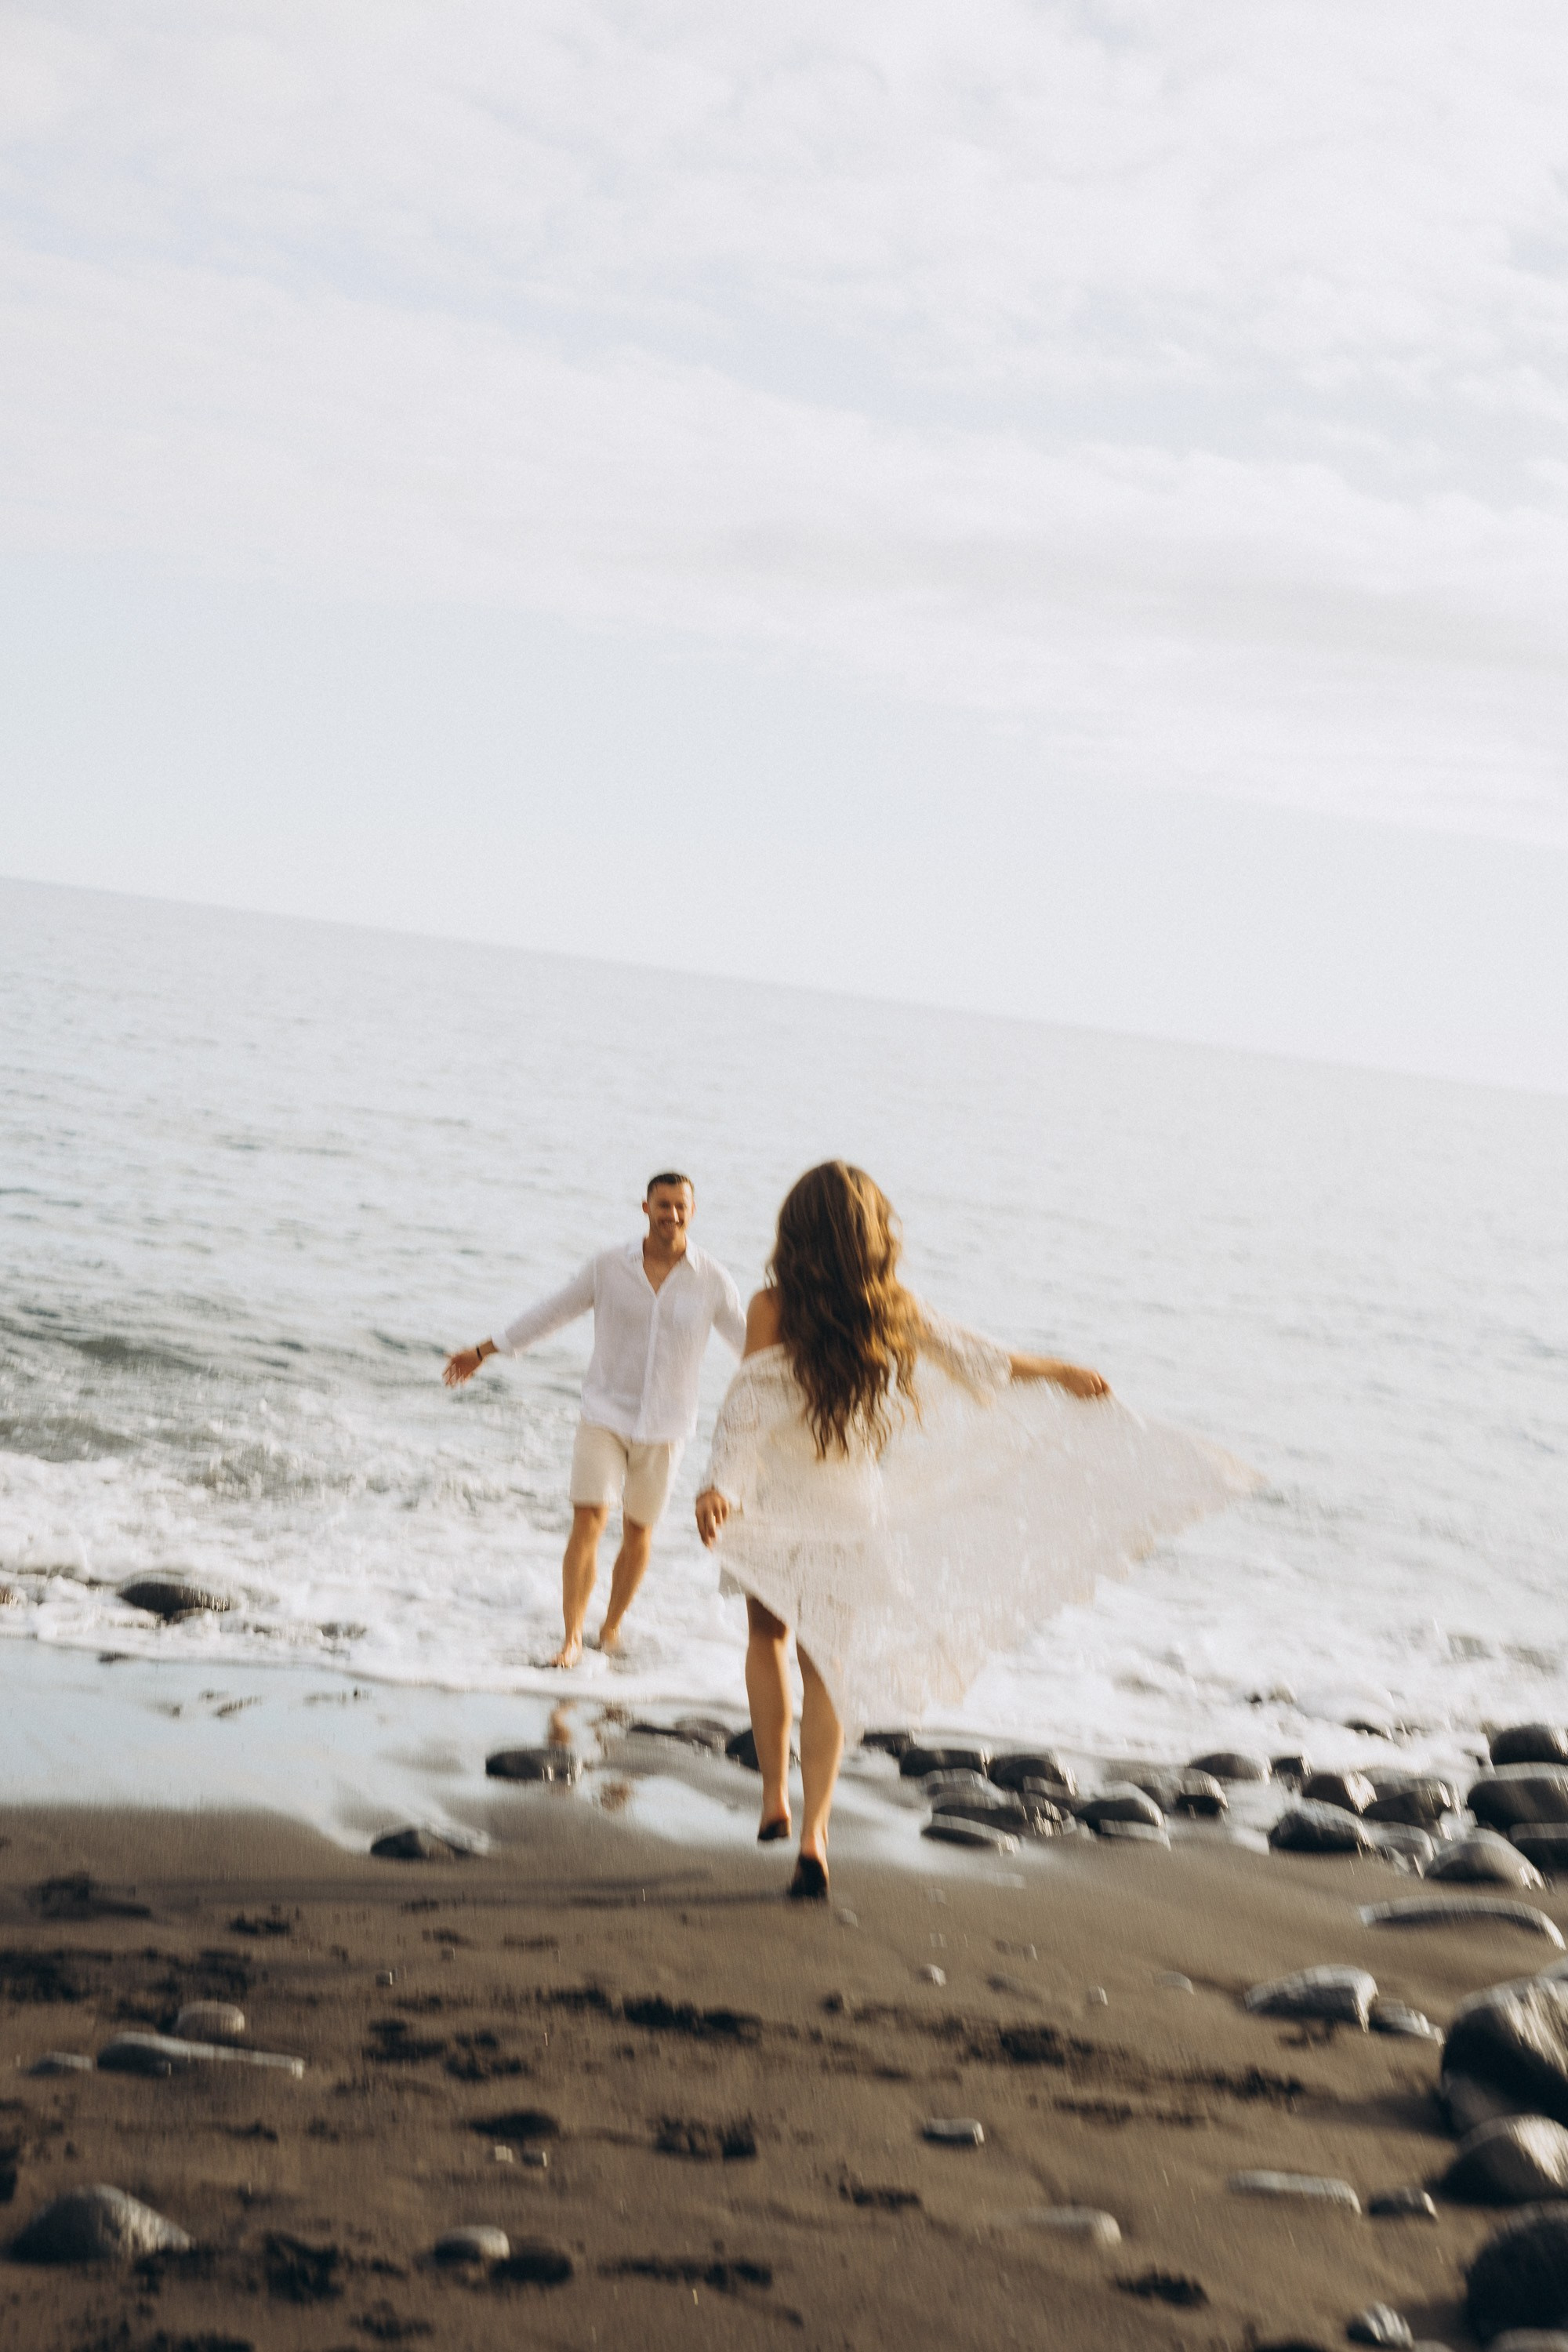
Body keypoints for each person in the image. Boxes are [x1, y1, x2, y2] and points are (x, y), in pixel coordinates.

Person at [695, 1160, 1256, 1900]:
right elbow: (981, 1359)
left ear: (794, 1230)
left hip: (777, 1501)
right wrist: (1058, 1371)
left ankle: (775, 1794)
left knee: (767, 1639)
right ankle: (817, 1833)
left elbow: (750, 1407)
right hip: (851, 1511)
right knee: (827, 1666)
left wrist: (721, 1487)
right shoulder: (893, 1308)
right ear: (872, 1235)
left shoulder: (772, 1306)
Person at [445, 1173, 744, 1666]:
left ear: (693, 1211)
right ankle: (571, 1638)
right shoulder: (609, 1267)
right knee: (588, 1518)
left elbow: (748, 1346)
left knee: (639, 1531)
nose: (672, 1214)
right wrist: (485, 1350)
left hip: (668, 1426)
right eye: (663, 1205)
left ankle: (611, 1626)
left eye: (681, 1206)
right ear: (644, 1207)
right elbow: (554, 1311)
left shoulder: (713, 1279)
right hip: (604, 1413)